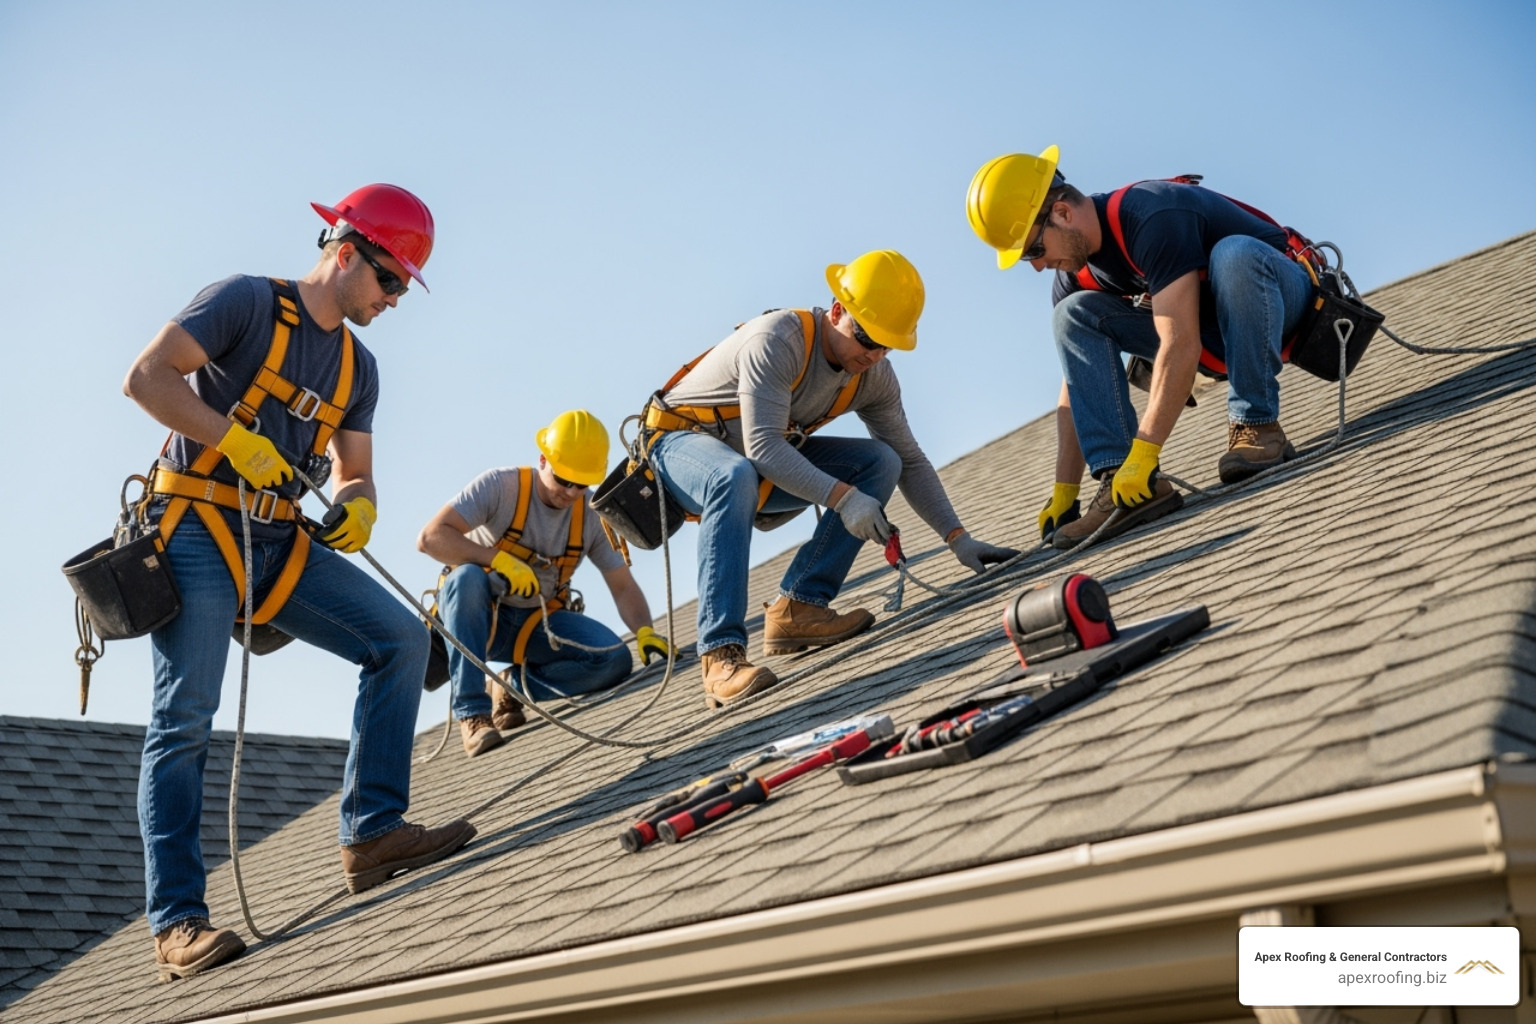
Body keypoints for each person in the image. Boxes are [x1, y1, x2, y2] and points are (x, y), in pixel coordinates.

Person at [122, 184, 473, 981]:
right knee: (185, 717)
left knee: (402, 640)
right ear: (346, 252)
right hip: (200, 527)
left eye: (401, 291)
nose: (393, 301)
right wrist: (232, 443)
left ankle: (374, 832)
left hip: (279, 543)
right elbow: (147, 379)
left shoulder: (360, 367)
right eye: (389, 282)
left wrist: (358, 507)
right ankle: (177, 923)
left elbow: (357, 474)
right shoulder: (242, 302)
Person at [641, 250, 1018, 709]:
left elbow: (910, 459)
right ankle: (720, 655)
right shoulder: (778, 340)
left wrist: (957, 538)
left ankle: (799, 608)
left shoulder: (873, 374)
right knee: (732, 475)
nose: (874, 354)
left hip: (751, 463)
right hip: (679, 446)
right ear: (838, 311)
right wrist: (844, 499)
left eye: (887, 345)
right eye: (867, 338)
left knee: (881, 461)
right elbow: (762, 448)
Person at [967, 146, 1319, 549]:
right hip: (1211, 336)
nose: (1036, 266)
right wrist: (1066, 489)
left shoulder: (1150, 214)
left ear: (1062, 213)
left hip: (1281, 302)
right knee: (1071, 315)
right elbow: (1077, 385)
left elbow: (1179, 341)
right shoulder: (1073, 275)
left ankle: (1256, 425)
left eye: (1033, 250)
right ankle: (1120, 481)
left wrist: (1147, 450)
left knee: (1232, 254)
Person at [416, 410, 670, 757]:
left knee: (614, 661)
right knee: (465, 577)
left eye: (580, 484)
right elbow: (430, 538)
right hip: (478, 617)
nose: (570, 492)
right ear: (543, 460)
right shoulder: (500, 487)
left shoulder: (591, 516)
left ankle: (510, 687)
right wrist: (496, 559)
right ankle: (473, 715)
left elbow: (622, 584)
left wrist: (645, 631)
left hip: (536, 624)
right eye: (563, 479)